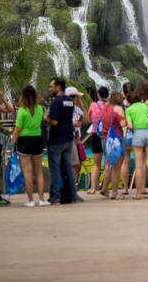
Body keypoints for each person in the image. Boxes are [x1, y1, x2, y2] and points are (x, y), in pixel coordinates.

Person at [10, 84, 49, 207]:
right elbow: (47, 109)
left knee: (27, 172)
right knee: (39, 172)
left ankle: (31, 200)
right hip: (38, 140)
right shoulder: (39, 109)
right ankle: (42, 199)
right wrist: (44, 102)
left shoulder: (22, 110)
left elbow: (17, 129)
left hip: (24, 141)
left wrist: (12, 144)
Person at [45, 77, 81, 205]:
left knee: (54, 169)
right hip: (68, 139)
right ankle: (72, 194)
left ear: (58, 87)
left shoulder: (57, 102)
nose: (50, 89)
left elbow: (54, 121)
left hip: (56, 140)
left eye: (51, 86)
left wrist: (45, 119)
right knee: (68, 168)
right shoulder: (70, 101)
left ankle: (55, 196)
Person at [125, 82, 148, 200]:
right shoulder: (147, 106)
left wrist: (135, 128)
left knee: (139, 166)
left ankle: (138, 194)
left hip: (138, 134)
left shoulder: (129, 109)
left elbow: (129, 126)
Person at [99, 91, 127, 199]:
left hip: (104, 139)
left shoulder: (105, 107)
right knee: (116, 168)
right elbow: (123, 124)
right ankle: (114, 193)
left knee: (108, 165)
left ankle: (104, 188)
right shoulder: (118, 108)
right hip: (116, 139)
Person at [66, 86, 90, 196]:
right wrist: (72, 125)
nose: (77, 99)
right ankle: (73, 191)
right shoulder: (64, 109)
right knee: (74, 164)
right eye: (76, 97)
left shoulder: (77, 110)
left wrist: (82, 106)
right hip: (70, 137)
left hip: (78, 139)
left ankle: (73, 189)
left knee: (78, 165)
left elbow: (87, 120)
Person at [88, 87, 108, 194]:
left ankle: (93, 188)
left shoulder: (93, 105)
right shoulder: (110, 106)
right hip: (108, 136)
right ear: (108, 95)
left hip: (96, 135)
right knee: (107, 163)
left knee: (96, 164)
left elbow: (88, 117)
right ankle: (105, 188)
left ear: (99, 95)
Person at [120, 82, 134, 195]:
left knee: (125, 162)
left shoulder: (121, 104)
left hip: (125, 134)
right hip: (137, 133)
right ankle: (141, 188)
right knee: (140, 162)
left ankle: (125, 189)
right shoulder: (138, 103)